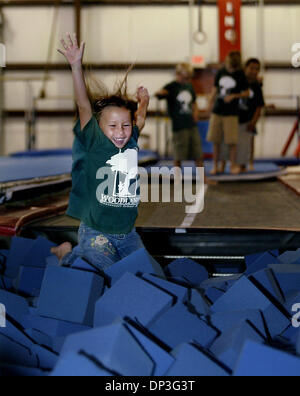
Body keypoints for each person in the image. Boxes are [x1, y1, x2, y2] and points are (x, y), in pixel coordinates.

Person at [51, 33, 150, 271]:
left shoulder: (130, 141)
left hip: (127, 234)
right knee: (98, 270)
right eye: (112, 126)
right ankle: (66, 253)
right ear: (99, 127)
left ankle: (80, 253)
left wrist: (143, 102)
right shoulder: (96, 141)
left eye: (125, 125)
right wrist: (76, 66)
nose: (120, 132)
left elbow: (140, 119)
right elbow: (84, 105)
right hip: (96, 232)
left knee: (147, 277)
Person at [155, 63, 204, 174]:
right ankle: (177, 176)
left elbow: (194, 102)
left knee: (198, 152)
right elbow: (160, 94)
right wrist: (161, 93)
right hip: (179, 125)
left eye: (188, 77)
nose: (186, 79)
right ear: (178, 74)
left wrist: (196, 113)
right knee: (178, 154)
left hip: (191, 124)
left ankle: (203, 177)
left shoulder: (189, 86)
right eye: (184, 76)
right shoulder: (172, 86)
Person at [206, 51, 249, 175]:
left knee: (231, 141)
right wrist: (210, 103)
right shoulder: (221, 72)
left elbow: (246, 92)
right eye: (229, 66)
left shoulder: (240, 74)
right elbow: (215, 89)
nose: (230, 69)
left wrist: (235, 95)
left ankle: (232, 165)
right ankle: (215, 165)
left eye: (232, 68)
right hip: (217, 111)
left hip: (231, 113)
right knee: (216, 140)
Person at [219, 58, 265, 173]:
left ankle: (245, 164)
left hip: (247, 120)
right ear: (245, 68)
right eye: (251, 68)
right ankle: (223, 164)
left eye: (257, 69)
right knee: (226, 143)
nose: (254, 71)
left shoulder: (256, 86)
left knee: (245, 144)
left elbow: (259, 106)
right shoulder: (237, 80)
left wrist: (253, 121)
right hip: (232, 118)